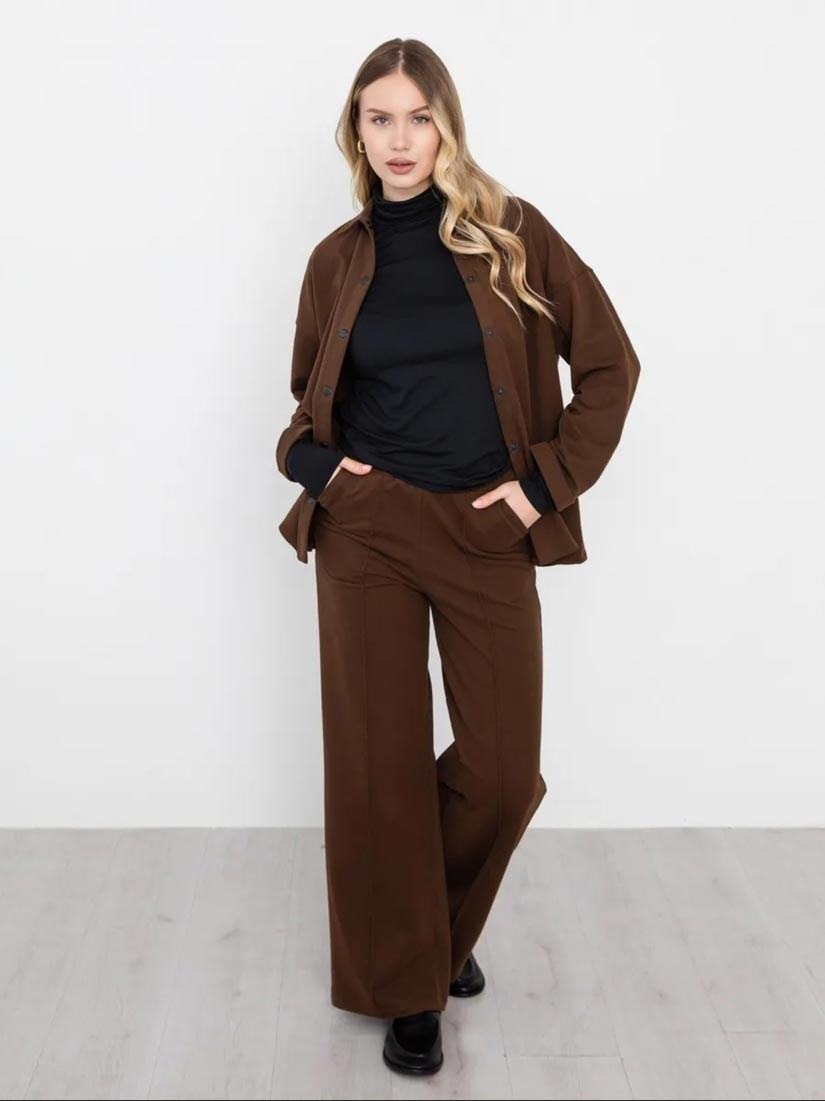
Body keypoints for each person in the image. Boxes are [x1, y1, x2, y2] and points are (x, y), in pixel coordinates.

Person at [275, 37, 641, 1076]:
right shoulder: (335, 261)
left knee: (503, 770)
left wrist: (543, 484)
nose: (399, 139)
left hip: (487, 528)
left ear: (447, 125)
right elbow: (305, 407)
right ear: (356, 132)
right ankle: (407, 983)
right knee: (378, 767)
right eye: (378, 118)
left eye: (418, 117)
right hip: (369, 532)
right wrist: (325, 471)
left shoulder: (513, 234)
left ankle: (424, 927)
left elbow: (610, 365)